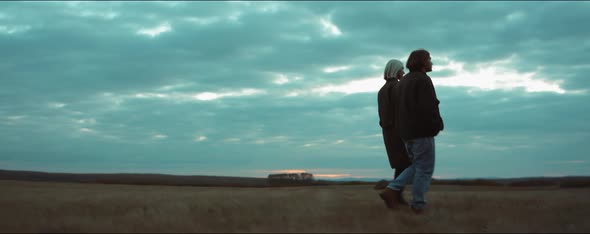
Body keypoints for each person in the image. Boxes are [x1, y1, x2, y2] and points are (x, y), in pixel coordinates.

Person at [379, 49, 444, 214]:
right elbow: (425, 106)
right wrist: (436, 124)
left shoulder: (400, 83)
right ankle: (415, 203)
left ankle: (394, 192)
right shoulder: (419, 81)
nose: (431, 62)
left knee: (416, 165)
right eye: (429, 59)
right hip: (414, 131)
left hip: (404, 132)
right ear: (422, 62)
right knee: (422, 168)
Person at [376, 59, 411, 205]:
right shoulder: (397, 87)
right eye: (401, 69)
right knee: (406, 165)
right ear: (395, 70)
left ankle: (396, 197)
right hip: (399, 133)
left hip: (388, 133)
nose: (403, 72)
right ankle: (394, 194)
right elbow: (403, 111)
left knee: (401, 165)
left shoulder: (382, 90)